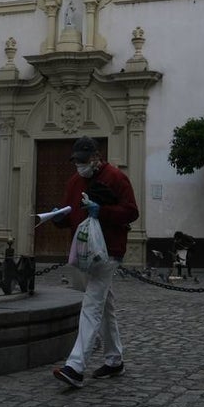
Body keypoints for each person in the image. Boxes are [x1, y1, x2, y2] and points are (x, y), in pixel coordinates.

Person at [50, 136, 139, 388]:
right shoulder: (74, 182)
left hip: (108, 251)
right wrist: (59, 217)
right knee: (104, 304)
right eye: (76, 161)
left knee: (91, 303)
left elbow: (131, 211)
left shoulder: (116, 178)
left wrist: (104, 211)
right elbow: (71, 214)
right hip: (87, 250)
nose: (79, 165)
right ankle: (114, 360)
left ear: (96, 157)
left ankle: (76, 366)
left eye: (83, 160)